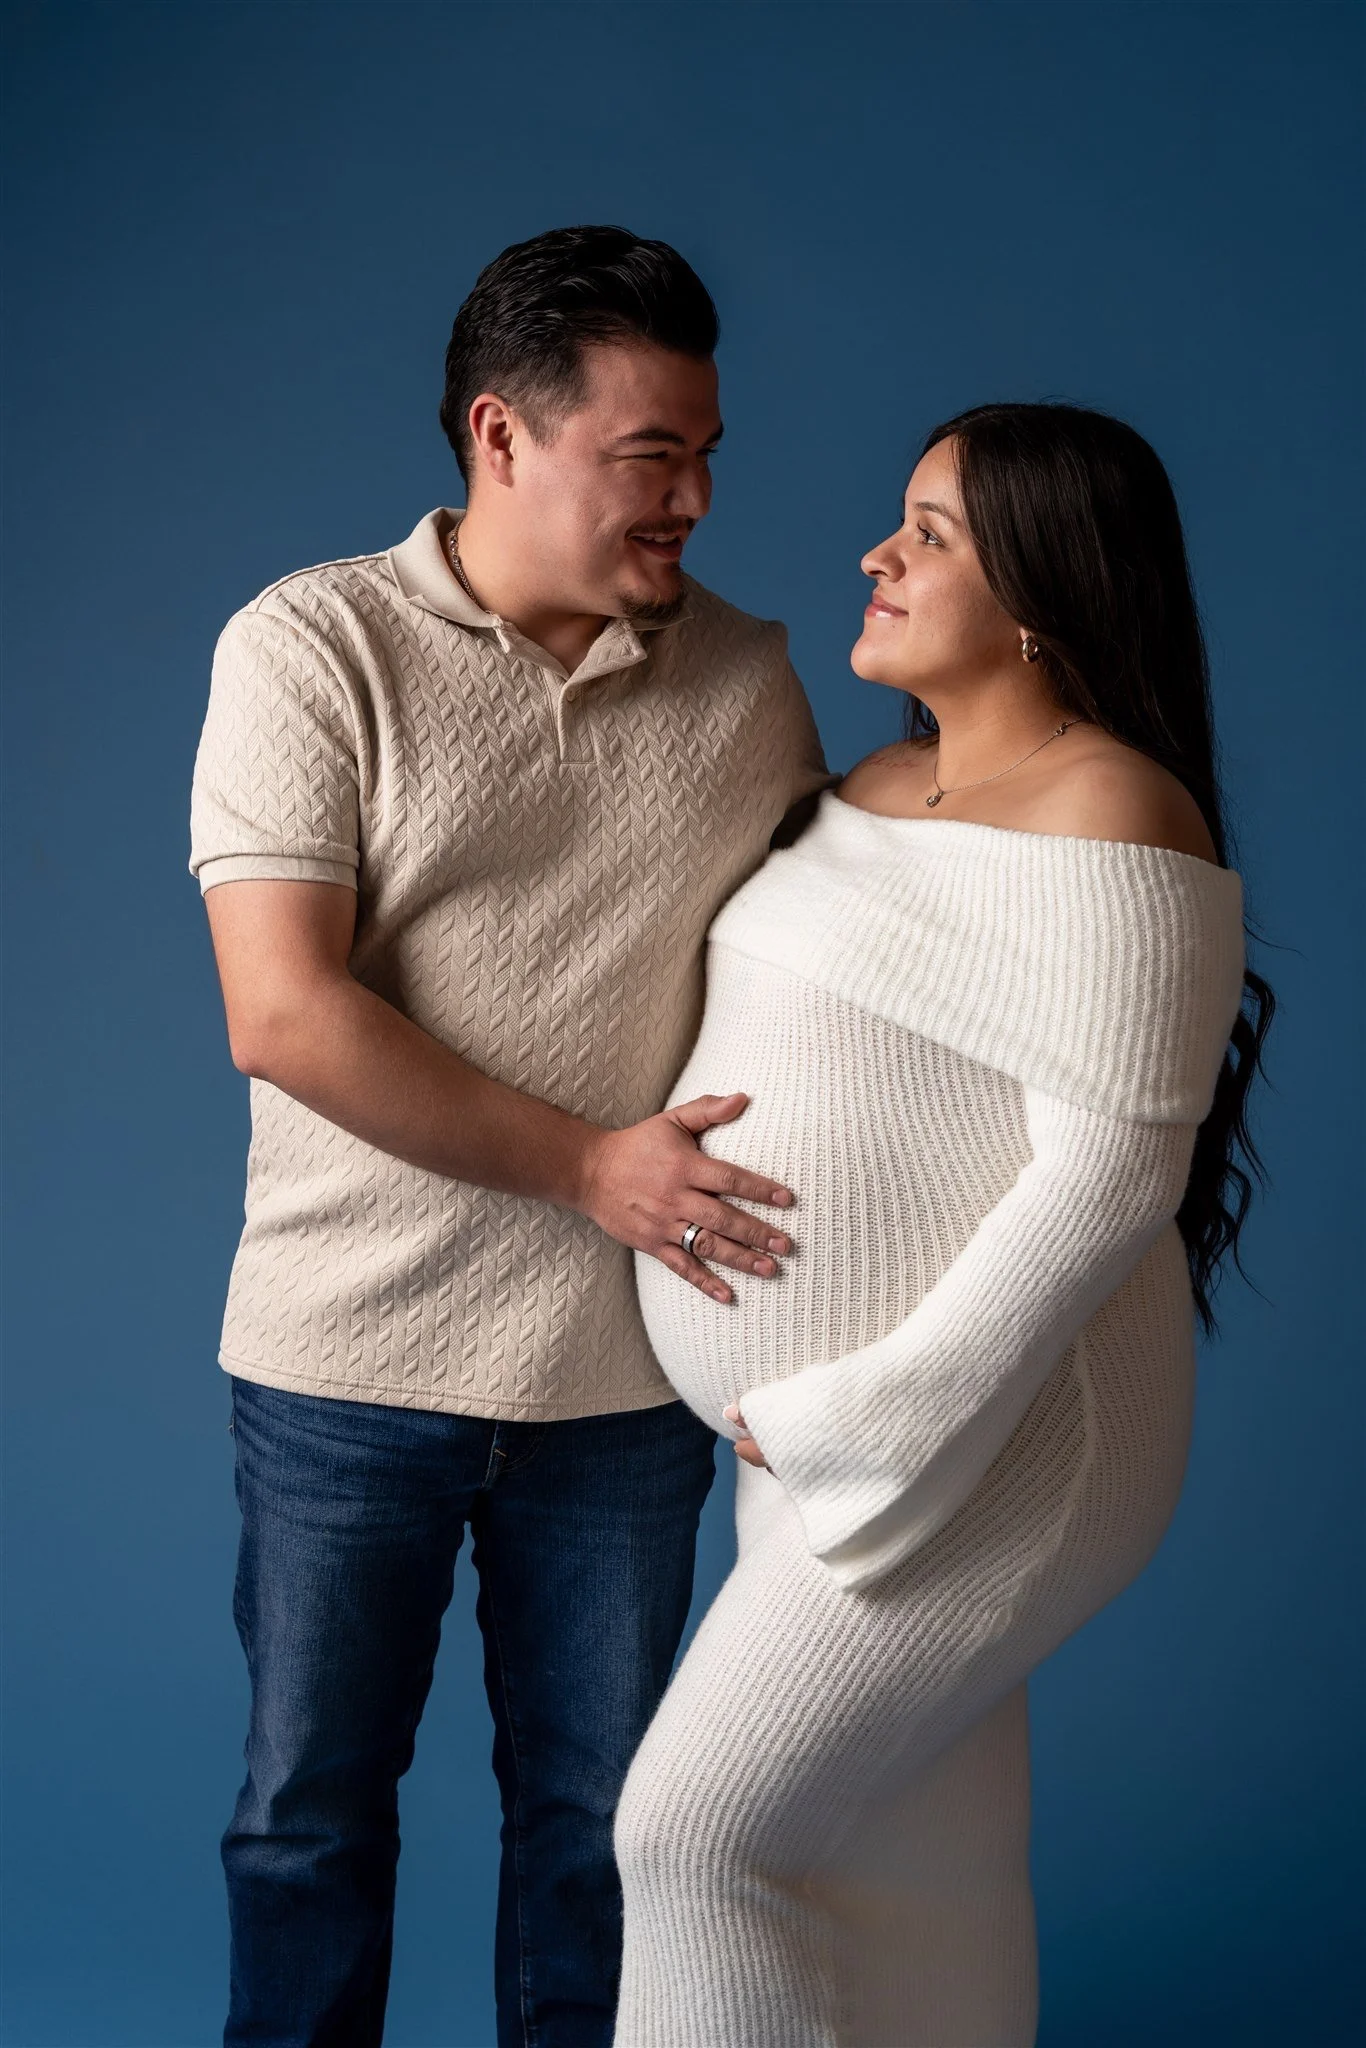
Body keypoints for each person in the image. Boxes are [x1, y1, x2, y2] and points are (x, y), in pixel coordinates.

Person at [189, 224, 830, 2048]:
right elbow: (284, 1013)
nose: (696, 497)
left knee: (609, 1838)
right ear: (499, 436)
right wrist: (586, 1166)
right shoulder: (314, 645)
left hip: (629, 1382)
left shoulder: (749, 683)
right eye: (652, 455)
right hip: (344, 1359)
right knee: (306, 1827)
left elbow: (841, 981)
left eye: (707, 452)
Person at [613, 403, 1274, 2047]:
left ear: (1044, 586)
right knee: (906, 1870)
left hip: (990, 1440)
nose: (876, 555)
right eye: (896, 518)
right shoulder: (872, 781)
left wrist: (852, 1417)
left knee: (697, 1838)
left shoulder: (1112, 814)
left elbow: (1111, 1177)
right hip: (830, 1447)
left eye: (932, 533)